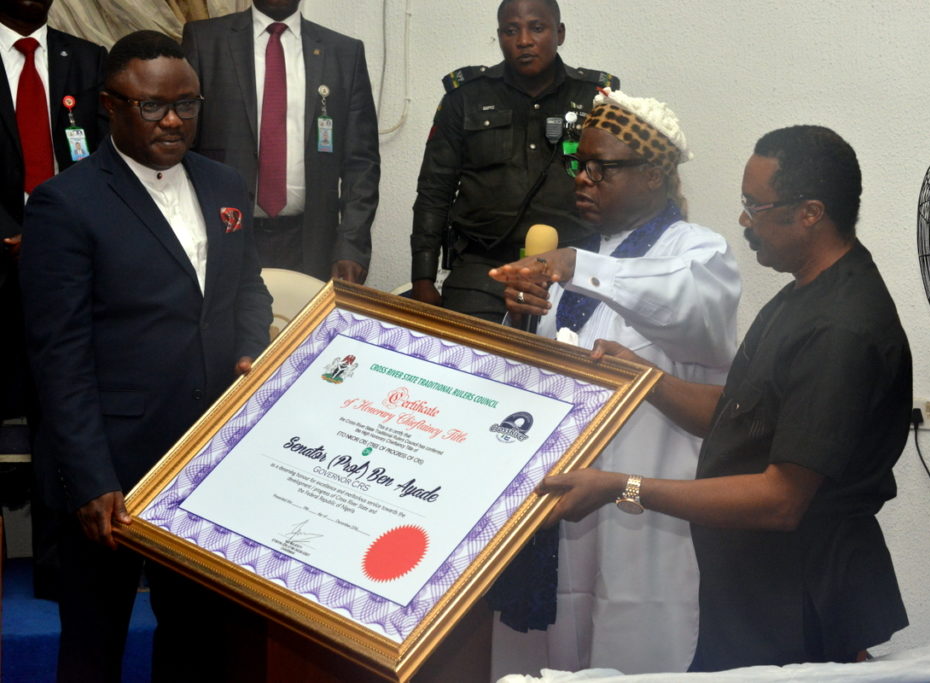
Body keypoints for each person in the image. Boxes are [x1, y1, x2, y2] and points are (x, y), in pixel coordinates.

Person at [535, 125, 911, 671]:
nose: (743, 221)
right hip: (751, 591)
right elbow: (741, 418)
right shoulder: (800, 294)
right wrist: (644, 377)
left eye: (754, 206)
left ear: (809, 212)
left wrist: (624, 486)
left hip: (799, 596)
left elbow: (780, 499)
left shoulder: (841, 328)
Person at [19, 30, 272, 682]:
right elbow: (59, 356)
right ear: (110, 105)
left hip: (206, 463)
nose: (173, 120)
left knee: (198, 641)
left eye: (187, 104)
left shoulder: (225, 184)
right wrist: (91, 477)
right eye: (152, 105)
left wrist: (250, 353)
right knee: (93, 647)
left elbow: (248, 293)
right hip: (110, 471)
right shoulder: (65, 204)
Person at [488, 89, 740, 675]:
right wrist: (520, 312)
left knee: (630, 652)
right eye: (580, 163)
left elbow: (687, 305)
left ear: (653, 175)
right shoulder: (576, 255)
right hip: (554, 503)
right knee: (538, 662)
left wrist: (580, 267)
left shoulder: (699, 253)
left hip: (641, 515)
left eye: (603, 168)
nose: (584, 179)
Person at [410, 0, 619, 322]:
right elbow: (434, 192)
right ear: (499, 36)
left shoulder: (597, 99)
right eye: (511, 30)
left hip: (572, 263)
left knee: (566, 365)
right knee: (465, 362)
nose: (524, 40)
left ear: (559, 33)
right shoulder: (465, 97)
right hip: (483, 268)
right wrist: (422, 278)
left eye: (537, 28)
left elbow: (616, 186)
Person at [0, 0, 107, 600]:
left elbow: (98, 158)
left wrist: (51, 234)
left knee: (58, 413)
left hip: (69, 264)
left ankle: (58, 568)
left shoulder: (84, 59)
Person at [182, 0, 379, 282]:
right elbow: (182, 147)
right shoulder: (205, 40)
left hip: (311, 245)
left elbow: (361, 163)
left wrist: (351, 246)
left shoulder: (344, 53)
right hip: (223, 237)